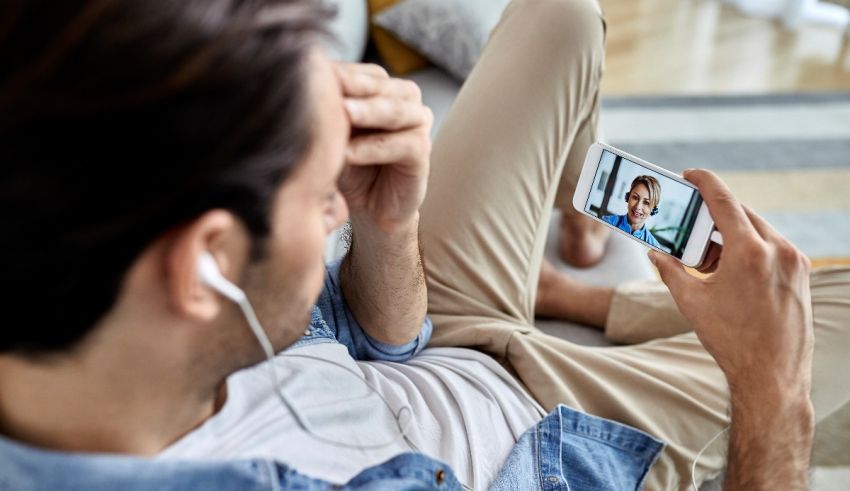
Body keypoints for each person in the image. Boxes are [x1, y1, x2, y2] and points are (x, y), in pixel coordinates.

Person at [1, 1, 848, 491]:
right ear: (205, 266)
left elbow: (380, 345)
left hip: (437, 350)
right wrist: (772, 397)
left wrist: (388, 221)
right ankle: (594, 305)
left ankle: (573, 292)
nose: (335, 212)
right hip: (552, 439)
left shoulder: (98, 296)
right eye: (318, 196)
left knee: (557, 15)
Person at [602, 175, 662, 248]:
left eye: (646, 203)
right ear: (628, 197)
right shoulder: (605, 223)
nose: (638, 207)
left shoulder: (654, 246)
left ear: (653, 209)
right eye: (635, 197)